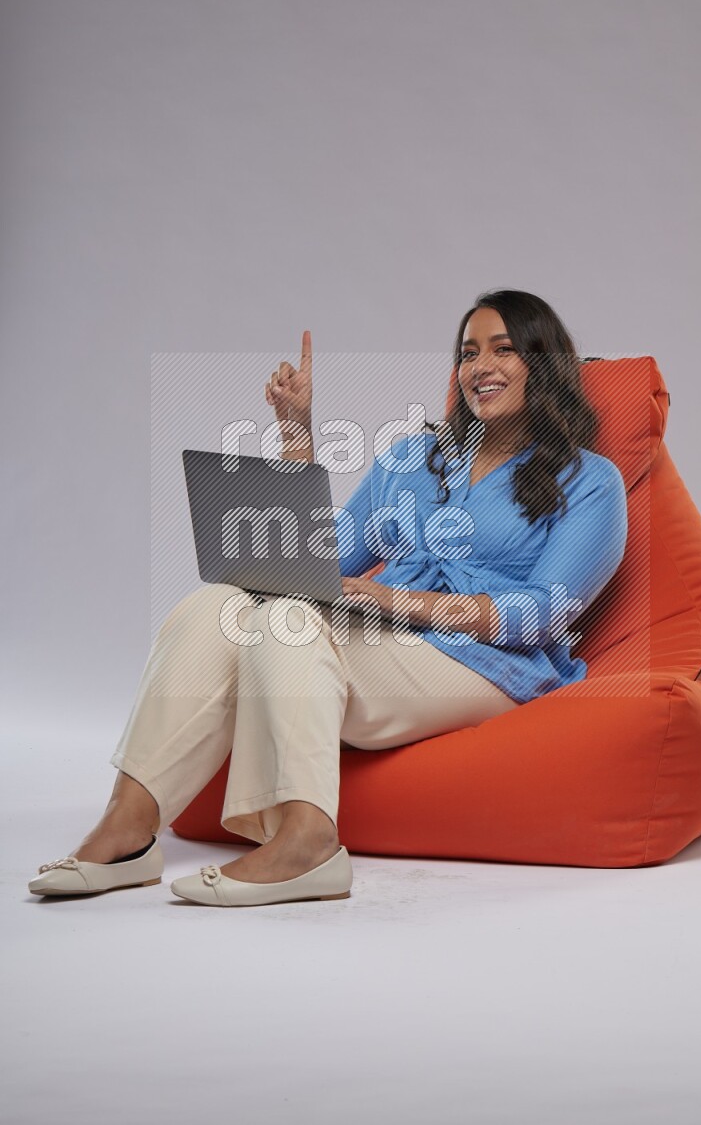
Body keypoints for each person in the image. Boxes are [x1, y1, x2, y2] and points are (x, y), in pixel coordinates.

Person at [28, 289, 628, 907]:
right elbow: (323, 559)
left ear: (545, 362)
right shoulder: (416, 460)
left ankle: (308, 843)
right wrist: (295, 435)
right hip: (397, 645)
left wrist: (394, 601)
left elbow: (541, 614)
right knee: (217, 606)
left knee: (291, 619)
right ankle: (128, 827)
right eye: (468, 352)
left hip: (491, 665)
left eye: (504, 350)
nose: (481, 367)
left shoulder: (589, 480)